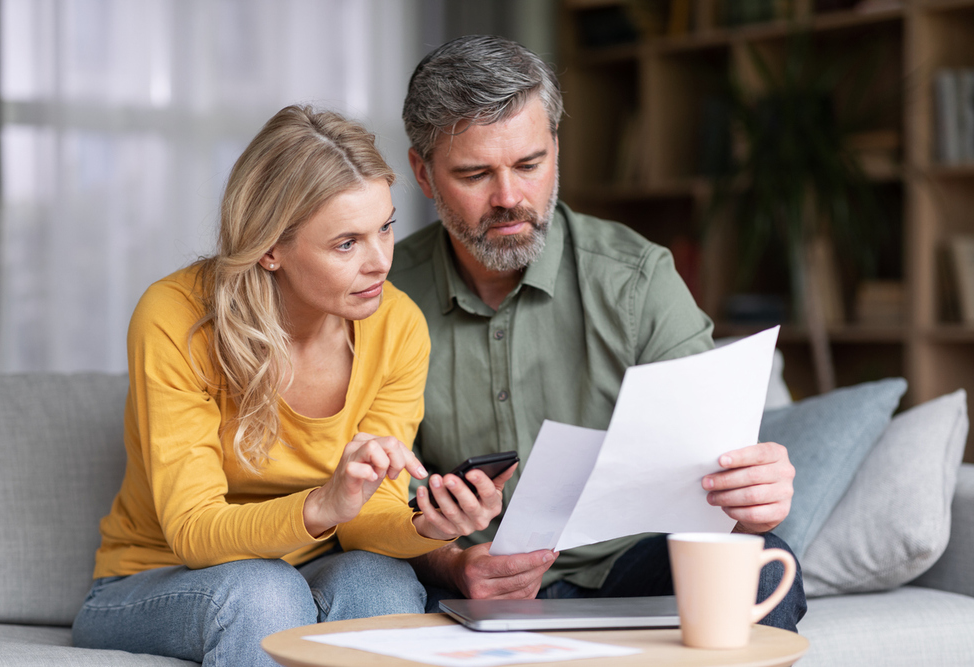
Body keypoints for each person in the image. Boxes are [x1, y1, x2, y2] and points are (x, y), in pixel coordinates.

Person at [388, 35, 807, 630]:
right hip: (457, 577)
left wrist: (753, 502)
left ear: (556, 148)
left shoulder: (637, 279)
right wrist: (453, 565)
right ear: (423, 174)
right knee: (375, 588)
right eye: (476, 173)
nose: (510, 198)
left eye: (529, 165)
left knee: (762, 565)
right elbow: (366, 501)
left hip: (626, 563)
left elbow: (714, 473)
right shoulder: (380, 297)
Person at [72, 105, 509, 667]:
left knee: (384, 586)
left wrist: (428, 526)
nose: (381, 262)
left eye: (386, 227)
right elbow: (192, 531)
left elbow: (367, 522)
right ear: (271, 248)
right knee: (264, 593)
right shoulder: (176, 316)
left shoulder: (397, 326)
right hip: (159, 577)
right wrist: (324, 504)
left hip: (310, 567)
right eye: (346, 243)